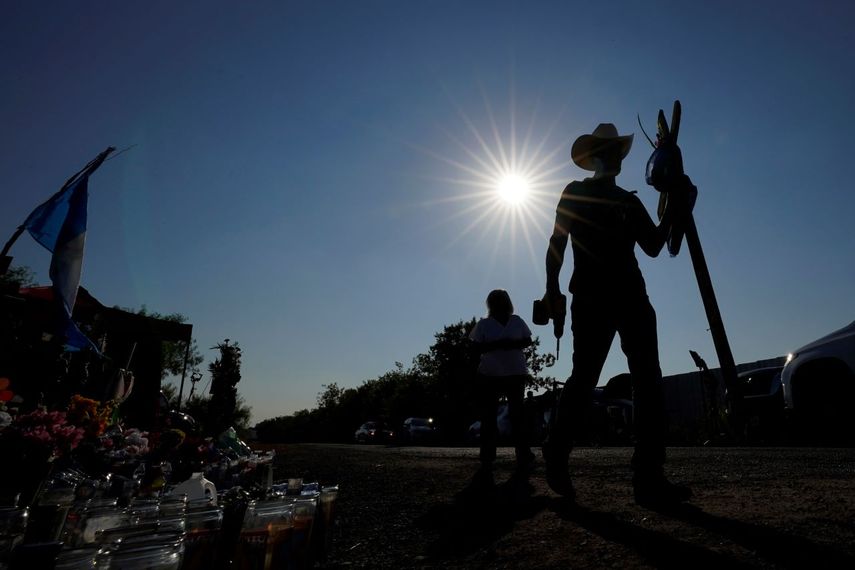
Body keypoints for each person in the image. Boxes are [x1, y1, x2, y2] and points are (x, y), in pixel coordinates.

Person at [541, 123, 693, 507]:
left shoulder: (630, 201)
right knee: (585, 375)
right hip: (591, 297)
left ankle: (649, 476)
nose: (613, 159)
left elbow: (656, 246)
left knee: (648, 379)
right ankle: (556, 451)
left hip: (632, 295)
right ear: (594, 158)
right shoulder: (575, 192)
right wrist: (552, 288)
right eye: (606, 152)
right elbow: (557, 243)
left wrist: (677, 204)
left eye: (616, 152)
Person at [468, 289, 536, 487]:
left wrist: (509, 343)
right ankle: (492, 457)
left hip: (513, 373)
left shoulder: (516, 321)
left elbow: (528, 340)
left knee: (512, 415)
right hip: (492, 374)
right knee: (494, 417)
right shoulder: (484, 324)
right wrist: (499, 345)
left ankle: (516, 455)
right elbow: (476, 348)